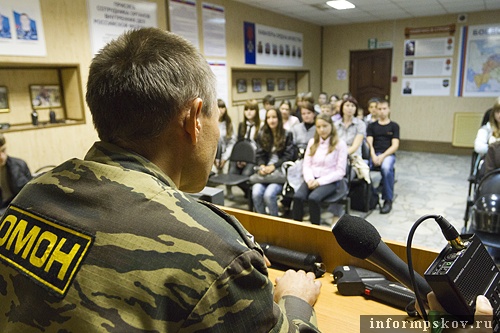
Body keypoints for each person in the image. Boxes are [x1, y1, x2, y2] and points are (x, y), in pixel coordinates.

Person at [0, 28, 322, 332]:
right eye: (217, 119)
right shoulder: (214, 250)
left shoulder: (32, 195)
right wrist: (294, 299)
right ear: (194, 119)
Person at [292, 113, 347, 225]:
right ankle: (296, 229)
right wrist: (310, 179)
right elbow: (306, 165)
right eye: (318, 127)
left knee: (313, 198)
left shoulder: (340, 144)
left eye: (325, 126)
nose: (322, 130)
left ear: (331, 126)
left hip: (330, 180)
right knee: (298, 197)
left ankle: (315, 230)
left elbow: (340, 172)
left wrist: (319, 182)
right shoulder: (313, 142)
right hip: (311, 178)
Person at [252, 108, 295, 216]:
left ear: (279, 119)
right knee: (256, 193)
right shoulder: (262, 134)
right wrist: (262, 166)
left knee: (269, 195)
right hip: (265, 170)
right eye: (268, 117)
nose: (271, 120)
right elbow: (259, 155)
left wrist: (273, 166)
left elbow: (288, 156)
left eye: (274, 117)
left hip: (279, 171)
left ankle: (274, 222)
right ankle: (262, 222)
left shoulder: (287, 134)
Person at [367, 99, 399, 214]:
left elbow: (395, 145)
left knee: (386, 168)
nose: (381, 111)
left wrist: (383, 156)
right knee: (362, 169)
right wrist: (374, 155)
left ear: (389, 109)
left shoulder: (394, 126)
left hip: (388, 155)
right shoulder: (371, 126)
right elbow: (369, 143)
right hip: (374, 154)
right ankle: (373, 197)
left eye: (384, 109)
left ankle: (387, 200)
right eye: (379, 109)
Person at [226, 99, 260, 199]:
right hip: (241, 157)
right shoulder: (242, 125)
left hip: (254, 158)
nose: (248, 112)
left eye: (252, 109)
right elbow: (239, 143)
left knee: (245, 175)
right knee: (232, 173)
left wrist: (248, 159)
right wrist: (240, 159)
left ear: (257, 111)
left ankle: (249, 195)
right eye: (246, 109)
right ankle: (246, 193)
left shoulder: (261, 126)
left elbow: (260, 148)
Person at [0, 133, 32, 213]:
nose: (2, 157)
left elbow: (31, 193)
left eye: (3, 150)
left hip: (17, 206)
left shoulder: (19, 165)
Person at [214, 99, 235, 174]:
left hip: (226, 156)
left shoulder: (229, 123)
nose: (221, 110)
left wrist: (225, 158)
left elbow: (232, 143)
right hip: (213, 156)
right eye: (218, 107)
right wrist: (214, 159)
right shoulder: (211, 123)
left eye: (223, 107)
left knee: (225, 173)